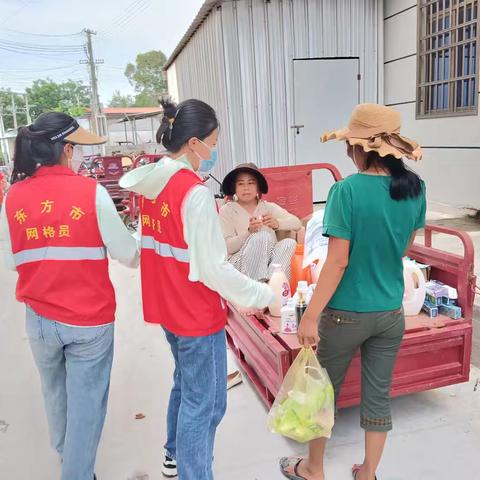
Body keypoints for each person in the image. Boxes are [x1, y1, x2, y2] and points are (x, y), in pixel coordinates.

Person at [119, 98, 273, 480]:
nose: (214, 150)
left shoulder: (155, 183)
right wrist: (264, 295)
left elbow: (151, 247)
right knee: (205, 405)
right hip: (195, 314)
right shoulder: (195, 194)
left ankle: (173, 455)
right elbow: (213, 270)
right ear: (193, 143)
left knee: (185, 384)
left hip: (167, 307)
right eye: (213, 140)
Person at [279, 104, 426, 480]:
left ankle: (313, 469)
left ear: (364, 148)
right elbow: (405, 247)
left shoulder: (345, 191)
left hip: (345, 314)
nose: (347, 150)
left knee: (322, 393)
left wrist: (310, 315)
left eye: (351, 144)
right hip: (391, 313)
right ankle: (369, 473)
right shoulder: (416, 189)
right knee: (378, 397)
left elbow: (337, 261)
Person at [0, 112, 139, 480]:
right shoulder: (90, 193)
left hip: (40, 321)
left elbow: (9, 259)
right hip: (88, 320)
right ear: (66, 149)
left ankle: (66, 454)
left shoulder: (14, 195)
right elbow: (128, 253)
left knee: (54, 392)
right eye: (75, 148)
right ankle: (77, 472)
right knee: (87, 405)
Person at [220, 163, 302, 281]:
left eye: (251, 183)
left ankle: (274, 287)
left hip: (268, 263)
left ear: (258, 187)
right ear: (234, 188)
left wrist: (277, 223)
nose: (246, 188)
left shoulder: (268, 207)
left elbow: (296, 223)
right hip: (238, 266)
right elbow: (228, 247)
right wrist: (248, 232)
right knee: (262, 236)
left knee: (289, 243)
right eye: (240, 184)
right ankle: (257, 290)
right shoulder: (227, 211)